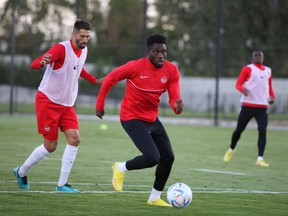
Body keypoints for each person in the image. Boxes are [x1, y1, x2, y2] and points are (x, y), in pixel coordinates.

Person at [13, 19, 102, 192]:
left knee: (75, 139)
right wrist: (42, 62)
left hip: (67, 104)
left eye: (87, 37)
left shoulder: (84, 50)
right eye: (82, 36)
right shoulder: (61, 49)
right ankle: (21, 172)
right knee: (50, 146)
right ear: (74, 34)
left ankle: (62, 185)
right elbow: (34, 64)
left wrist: (94, 80)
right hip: (48, 101)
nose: (85, 40)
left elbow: (78, 68)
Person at [96, 33, 183, 207]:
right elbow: (110, 79)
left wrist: (177, 106)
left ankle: (154, 198)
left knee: (168, 157)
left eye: (163, 52)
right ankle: (120, 168)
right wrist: (100, 104)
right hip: (131, 117)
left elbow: (174, 98)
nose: (161, 55)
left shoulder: (171, 70)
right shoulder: (134, 67)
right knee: (152, 157)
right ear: (148, 52)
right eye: (156, 51)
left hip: (151, 118)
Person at [223, 50, 276, 167]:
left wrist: (272, 97)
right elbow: (238, 84)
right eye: (255, 55)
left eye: (260, 55)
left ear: (263, 57)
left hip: (262, 106)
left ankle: (260, 159)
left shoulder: (268, 71)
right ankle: (231, 149)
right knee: (239, 130)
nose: (258, 57)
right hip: (248, 105)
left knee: (262, 131)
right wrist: (243, 90)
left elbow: (269, 87)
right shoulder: (248, 69)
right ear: (252, 58)